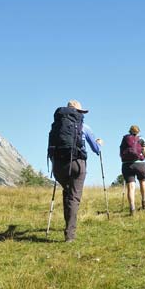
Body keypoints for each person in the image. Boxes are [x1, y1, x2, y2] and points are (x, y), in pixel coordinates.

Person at [47, 100, 102, 243]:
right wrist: (99, 144)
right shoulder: (84, 127)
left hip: (58, 166)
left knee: (67, 191)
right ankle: (69, 235)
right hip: (77, 163)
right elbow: (96, 149)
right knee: (74, 197)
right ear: (79, 112)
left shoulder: (56, 127)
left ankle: (68, 226)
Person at [119, 125, 145, 215]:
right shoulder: (141, 139)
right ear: (138, 132)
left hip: (127, 165)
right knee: (142, 182)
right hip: (140, 164)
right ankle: (144, 204)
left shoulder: (125, 139)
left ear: (130, 131)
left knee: (131, 187)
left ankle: (132, 209)